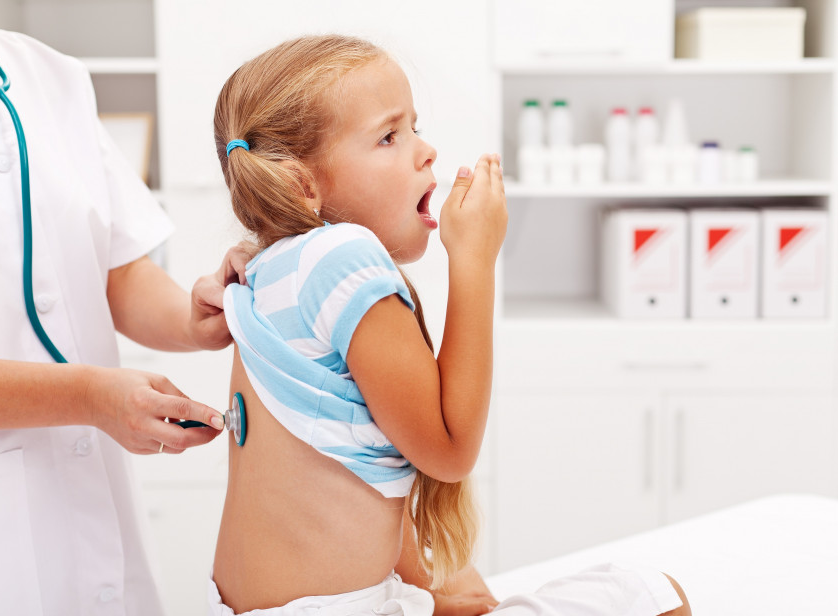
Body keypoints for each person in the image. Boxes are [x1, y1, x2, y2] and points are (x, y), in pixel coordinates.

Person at [207, 35, 691, 616]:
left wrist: (453, 599)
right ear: (301, 187)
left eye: (415, 126)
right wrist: (474, 260)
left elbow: (354, 479)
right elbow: (450, 451)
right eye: (389, 136)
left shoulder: (266, 271)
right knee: (649, 594)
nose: (425, 150)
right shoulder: (340, 256)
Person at [0, 3, 243, 613]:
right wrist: (86, 398)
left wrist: (194, 318)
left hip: (94, 515)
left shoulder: (48, 75)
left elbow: (116, 269)